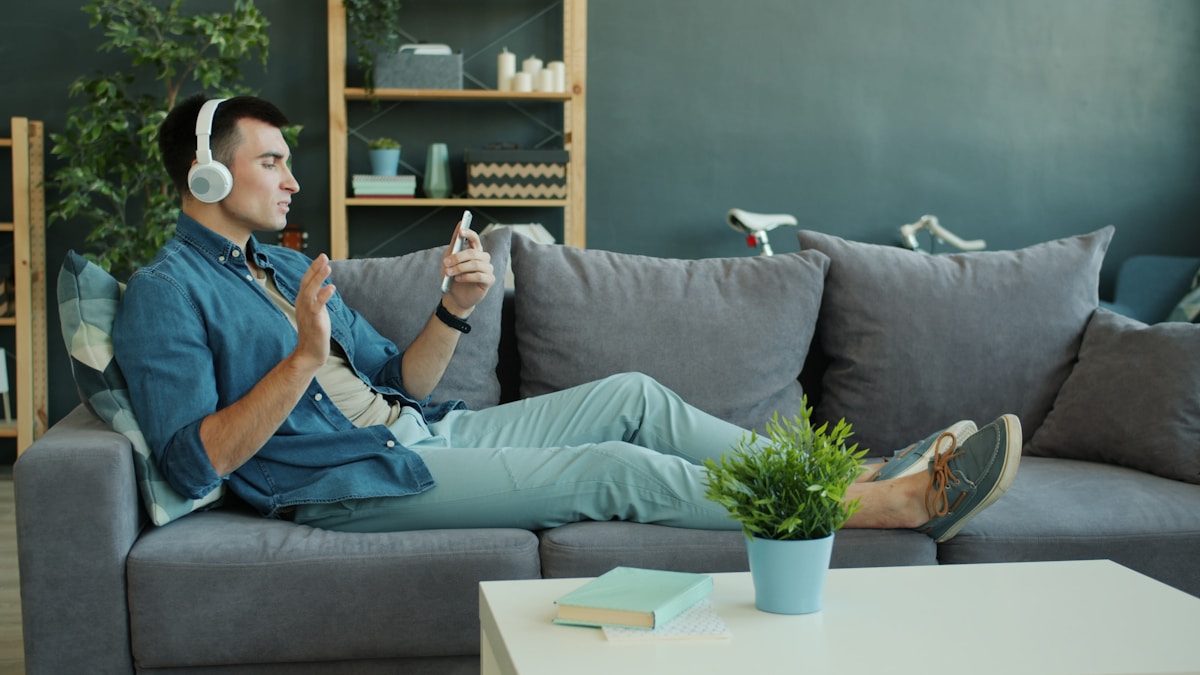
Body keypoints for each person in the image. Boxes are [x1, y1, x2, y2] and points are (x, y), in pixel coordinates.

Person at [113, 94, 1021, 543]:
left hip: (417, 430)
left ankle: (837, 466)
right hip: (350, 485)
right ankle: (889, 504)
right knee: (611, 468)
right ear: (206, 175)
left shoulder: (274, 264)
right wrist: (301, 362)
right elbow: (195, 462)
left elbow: (399, 383)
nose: (292, 178)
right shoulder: (166, 293)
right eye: (271, 162)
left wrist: (455, 309)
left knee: (631, 396)